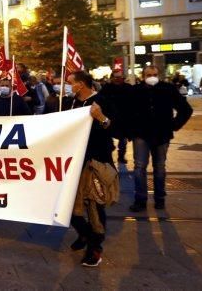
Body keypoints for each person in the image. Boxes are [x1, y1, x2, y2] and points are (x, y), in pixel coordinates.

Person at [67, 71, 119, 267]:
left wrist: (101, 117)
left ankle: (95, 248)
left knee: (95, 206)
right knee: (71, 208)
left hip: (96, 162)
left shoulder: (102, 101)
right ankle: (85, 235)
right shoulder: (71, 103)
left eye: (71, 82)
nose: (69, 85)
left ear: (81, 84)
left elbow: (114, 127)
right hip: (75, 162)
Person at [127, 66, 193, 212]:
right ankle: (140, 199)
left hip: (161, 135)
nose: (152, 77)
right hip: (141, 134)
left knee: (160, 168)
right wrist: (131, 130)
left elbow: (186, 109)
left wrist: (174, 125)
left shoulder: (168, 89)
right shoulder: (135, 90)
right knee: (139, 168)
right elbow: (127, 112)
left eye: (154, 74)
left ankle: (159, 199)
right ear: (143, 76)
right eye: (149, 74)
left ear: (159, 75)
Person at [100, 71, 133, 164]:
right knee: (108, 140)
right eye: (115, 77)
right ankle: (108, 157)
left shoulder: (128, 88)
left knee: (123, 141)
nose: (118, 79)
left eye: (120, 77)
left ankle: (121, 157)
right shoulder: (106, 88)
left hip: (124, 119)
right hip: (109, 119)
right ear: (111, 78)